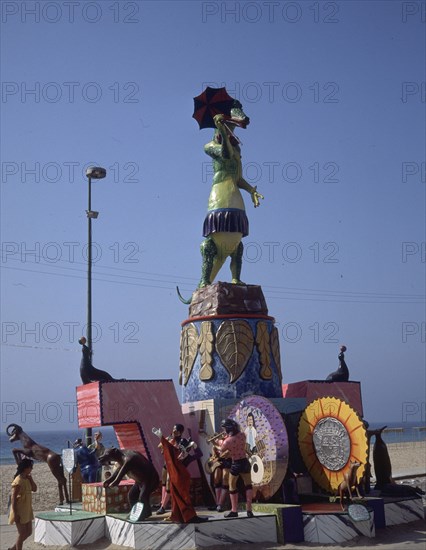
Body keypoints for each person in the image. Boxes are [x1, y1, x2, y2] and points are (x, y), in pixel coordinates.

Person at [218, 418, 254, 518]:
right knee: (248, 486)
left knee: (232, 486)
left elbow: (221, 450)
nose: (224, 430)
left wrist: (219, 441)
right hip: (245, 462)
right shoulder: (243, 435)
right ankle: (249, 510)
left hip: (236, 463)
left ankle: (234, 510)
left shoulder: (227, 441)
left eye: (224, 428)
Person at [156, 424, 191, 515]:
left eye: (175, 430)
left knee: (169, 483)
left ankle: (163, 506)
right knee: (165, 483)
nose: (173, 431)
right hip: (166, 464)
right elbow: (160, 446)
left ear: (180, 432)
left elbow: (184, 453)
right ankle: (162, 504)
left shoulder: (182, 441)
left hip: (174, 466)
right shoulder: (170, 438)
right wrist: (165, 439)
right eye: (173, 429)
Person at [8, 458, 37, 550]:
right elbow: (13, 498)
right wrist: (15, 514)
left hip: (27, 509)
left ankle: (13, 548)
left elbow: (35, 489)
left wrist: (31, 479)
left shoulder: (27, 478)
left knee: (28, 532)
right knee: (22, 533)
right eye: (31, 467)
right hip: (19, 510)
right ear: (26, 468)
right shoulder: (18, 480)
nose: (32, 469)